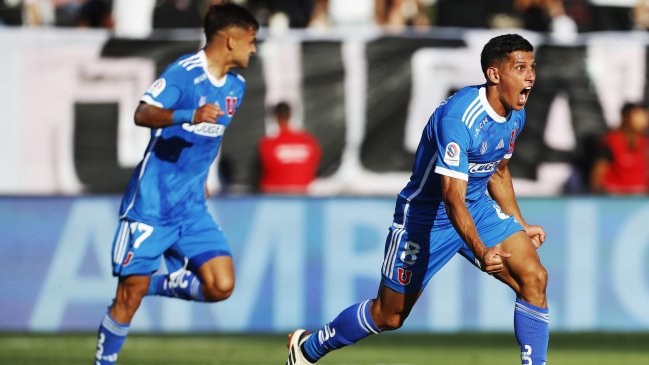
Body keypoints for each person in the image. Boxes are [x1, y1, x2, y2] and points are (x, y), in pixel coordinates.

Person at [286, 34, 550, 365]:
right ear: (494, 74)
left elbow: (498, 172)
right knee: (389, 316)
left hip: (477, 209)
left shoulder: (515, 114)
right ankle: (308, 347)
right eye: (521, 68)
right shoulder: (459, 118)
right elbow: (451, 197)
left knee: (534, 278)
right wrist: (481, 250)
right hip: (427, 218)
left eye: (533, 67)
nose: (530, 77)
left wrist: (520, 223)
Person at [93, 3, 258, 365]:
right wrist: (189, 114)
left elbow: (210, 141)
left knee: (221, 285)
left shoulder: (236, 87)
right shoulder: (183, 74)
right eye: (250, 40)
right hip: (152, 206)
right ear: (230, 40)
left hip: (191, 208)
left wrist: (202, 179)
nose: (254, 49)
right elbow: (143, 112)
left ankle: (151, 284)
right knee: (126, 301)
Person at [258, 102, 322, 194]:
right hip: (302, 196)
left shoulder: (267, 144)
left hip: (273, 198)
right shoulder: (309, 142)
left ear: (276, 117)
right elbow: (315, 168)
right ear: (290, 114)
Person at [590, 102, 649, 194]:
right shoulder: (612, 141)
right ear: (626, 117)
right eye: (637, 115)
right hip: (615, 198)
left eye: (645, 116)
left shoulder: (645, 142)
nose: (642, 120)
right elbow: (598, 173)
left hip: (641, 198)